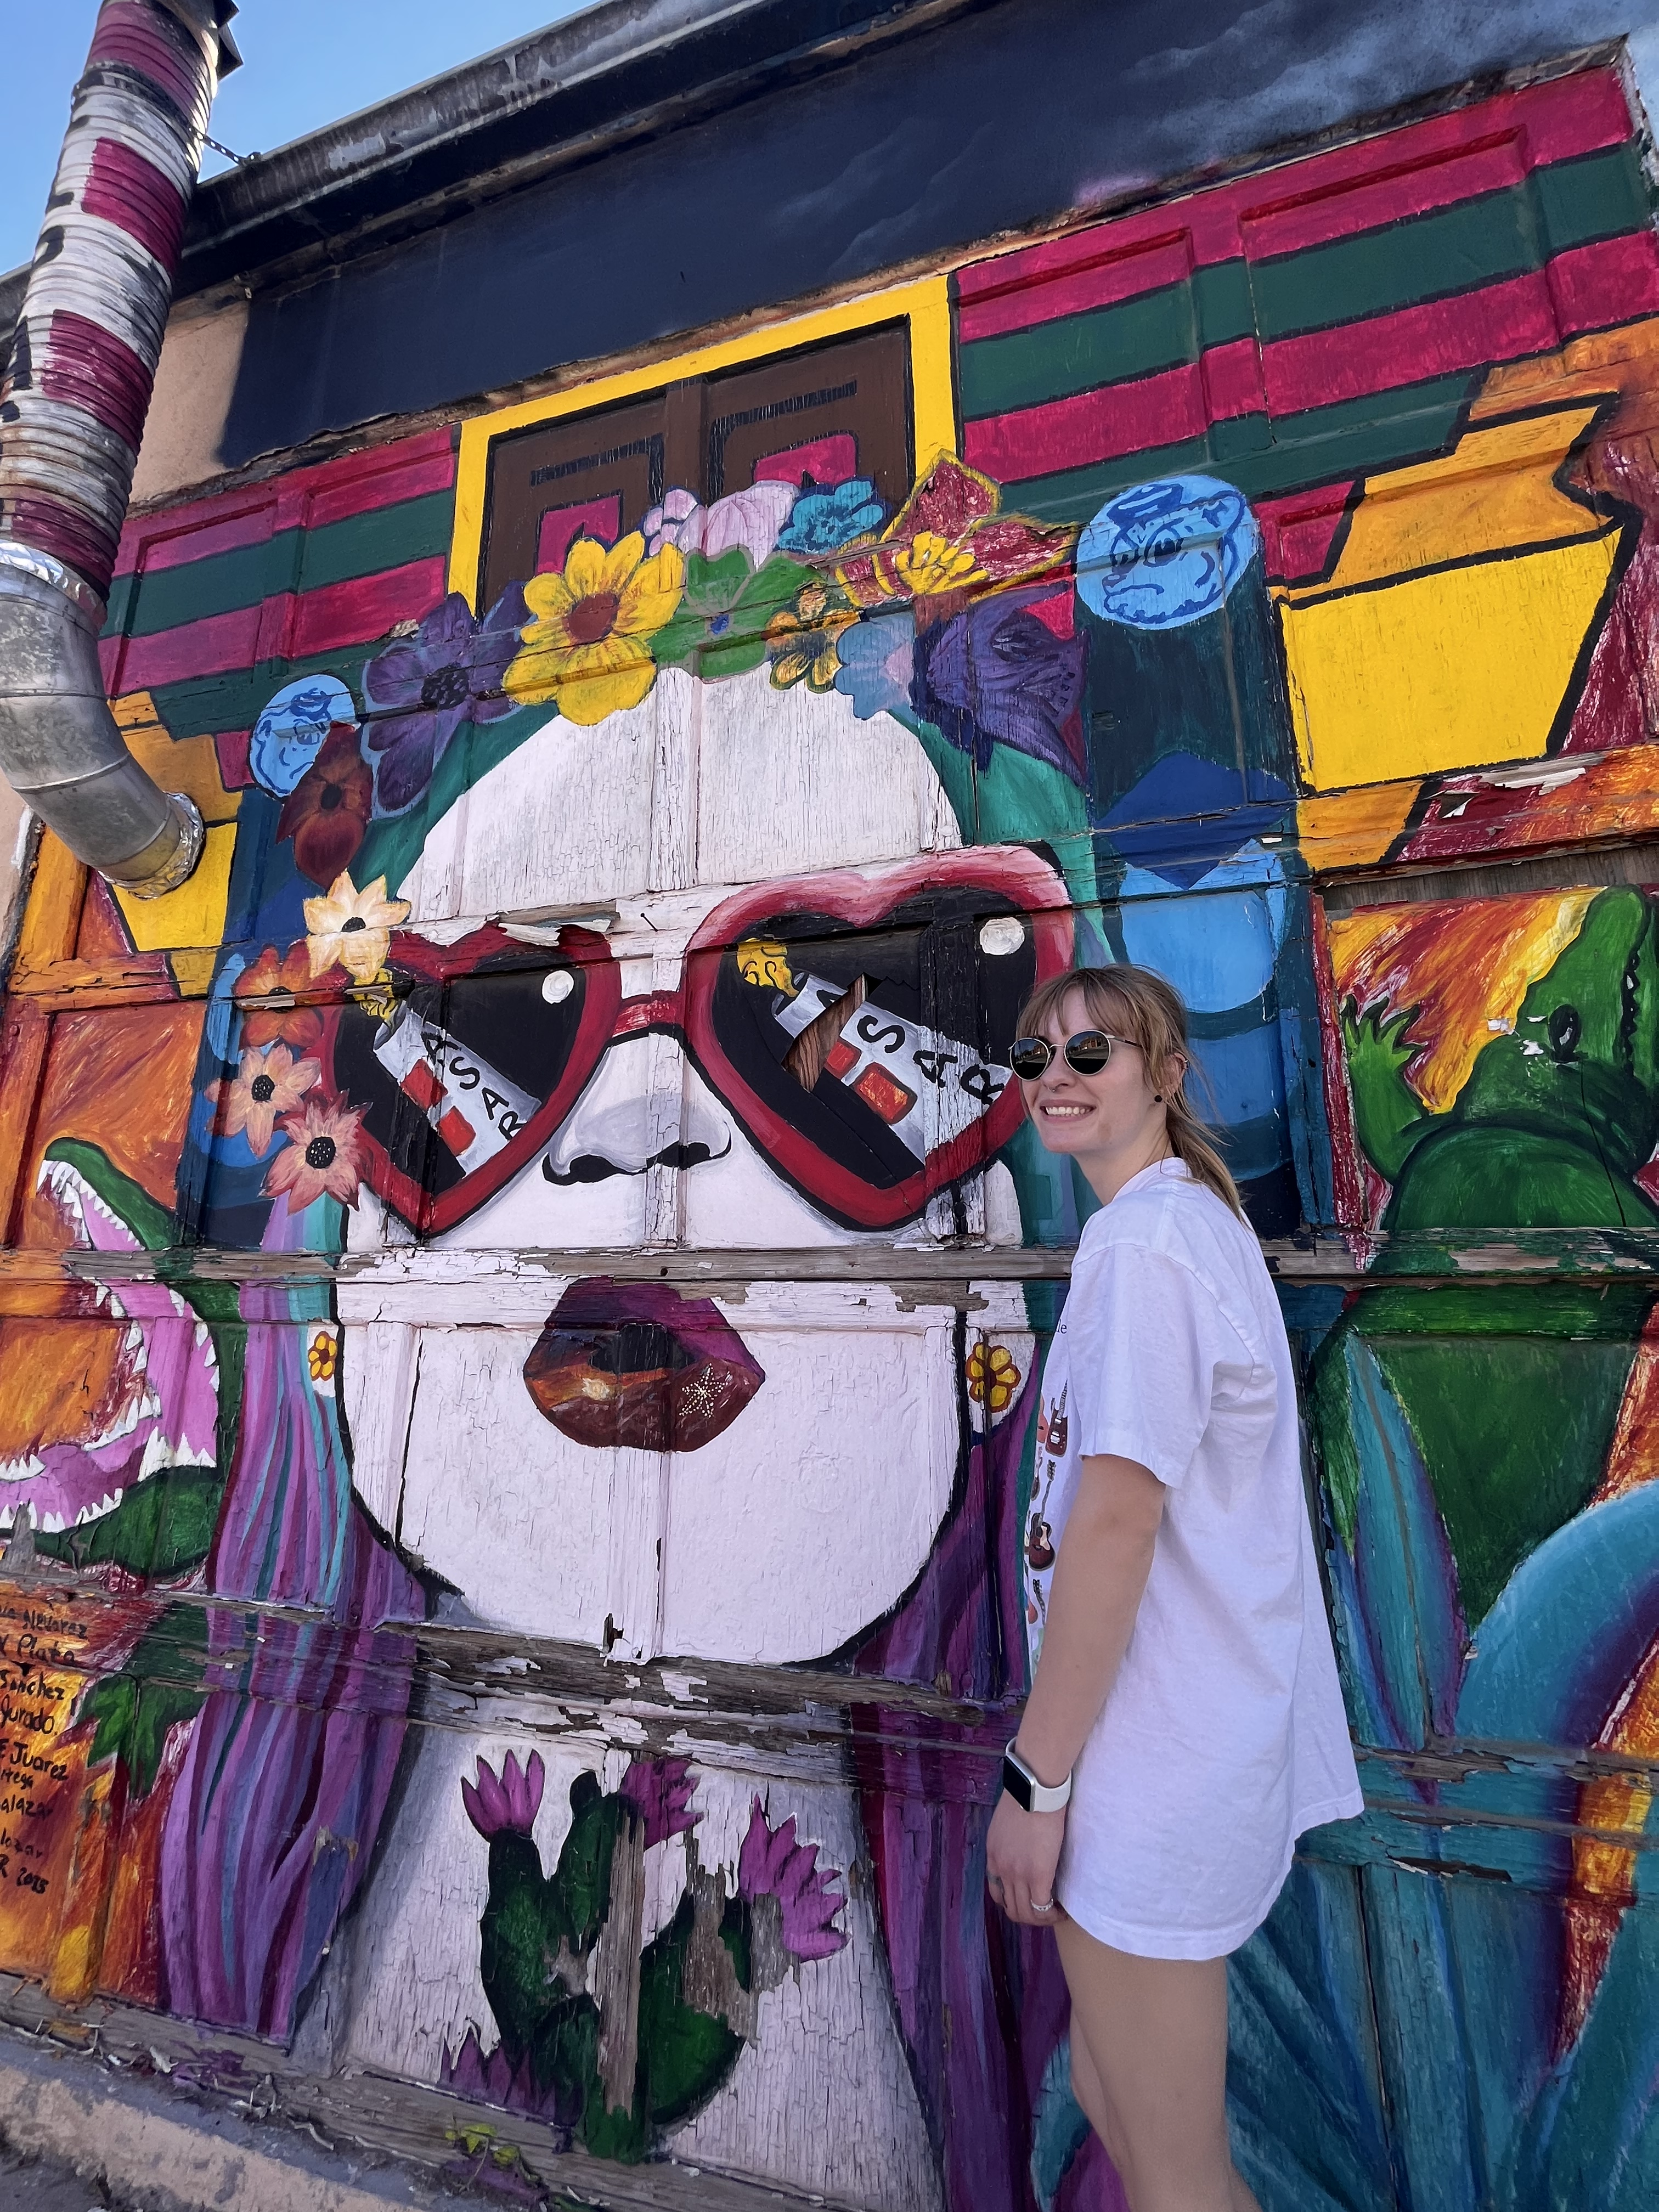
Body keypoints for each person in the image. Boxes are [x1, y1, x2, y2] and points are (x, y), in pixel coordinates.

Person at [986, 963, 1362, 2212]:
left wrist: (1035, 1784)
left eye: (1092, 1054)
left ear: (1165, 1073)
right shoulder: (1180, 1225)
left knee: (1176, 2176)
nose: (1057, 1077)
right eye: (1037, 1057)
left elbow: (1115, 1525)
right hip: (1167, 1748)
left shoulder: (1150, 1248)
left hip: (1147, 1771)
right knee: (1117, 2101)